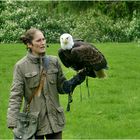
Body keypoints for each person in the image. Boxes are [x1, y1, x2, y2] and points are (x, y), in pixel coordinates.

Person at [7, 28, 86, 139]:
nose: (43, 43)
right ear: (29, 44)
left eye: (44, 39)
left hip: (55, 121)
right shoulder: (21, 66)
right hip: (34, 124)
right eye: (38, 40)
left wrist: (77, 79)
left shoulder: (54, 62)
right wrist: (12, 121)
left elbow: (62, 88)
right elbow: (16, 95)